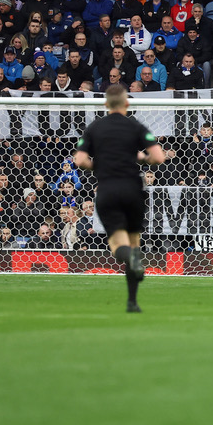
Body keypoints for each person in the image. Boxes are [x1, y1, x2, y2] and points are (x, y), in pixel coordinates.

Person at [71, 84, 166, 313]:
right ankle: (132, 302)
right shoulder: (135, 126)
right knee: (134, 245)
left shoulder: (94, 128)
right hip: (133, 190)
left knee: (118, 245)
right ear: (127, 103)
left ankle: (131, 263)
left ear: (105, 104)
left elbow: (80, 160)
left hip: (108, 190)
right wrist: (142, 160)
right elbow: (159, 157)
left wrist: (98, 166)